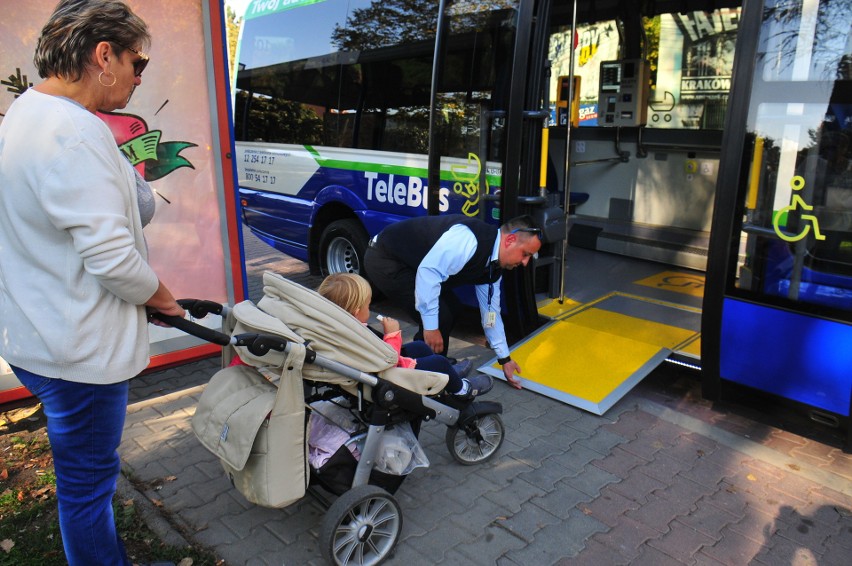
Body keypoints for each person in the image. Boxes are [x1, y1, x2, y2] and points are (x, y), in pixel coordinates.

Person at [0, 2, 185, 564]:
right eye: (138, 61)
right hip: (77, 351)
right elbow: (112, 259)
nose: (137, 76)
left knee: (83, 484)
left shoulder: (26, 115)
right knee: (88, 490)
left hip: (40, 334)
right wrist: (164, 300)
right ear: (103, 55)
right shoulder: (74, 134)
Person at [364, 214, 542, 390]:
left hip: (413, 266)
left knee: (453, 310)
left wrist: (505, 358)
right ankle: (424, 380)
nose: (526, 263)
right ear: (510, 240)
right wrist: (431, 327)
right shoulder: (469, 240)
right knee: (440, 317)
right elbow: (429, 273)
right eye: (525, 254)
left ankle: (428, 370)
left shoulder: (492, 269)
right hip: (386, 258)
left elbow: (490, 313)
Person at [317, 273, 494, 398]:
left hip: (380, 364)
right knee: (438, 361)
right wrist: (392, 333)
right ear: (356, 312)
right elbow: (388, 359)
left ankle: (448, 376)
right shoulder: (358, 334)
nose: (369, 309)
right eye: (367, 306)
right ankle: (462, 390)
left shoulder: (342, 327)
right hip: (391, 373)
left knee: (420, 347)